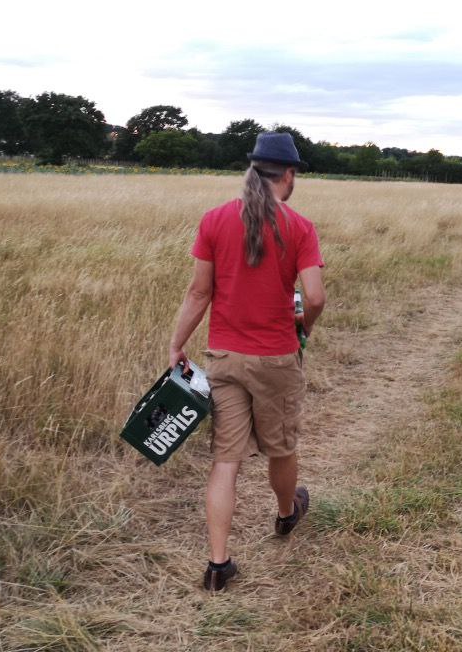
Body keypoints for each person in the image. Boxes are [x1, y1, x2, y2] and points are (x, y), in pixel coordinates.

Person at [167, 132, 326, 591]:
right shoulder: (300, 227)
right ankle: (285, 513)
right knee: (280, 447)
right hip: (277, 356)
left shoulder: (215, 220)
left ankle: (218, 565)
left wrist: (178, 344)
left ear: (254, 170)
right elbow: (314, 296)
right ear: (289, 175)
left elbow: (199, 292)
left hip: (224, 358)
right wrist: (304, 326)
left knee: (225, 460)